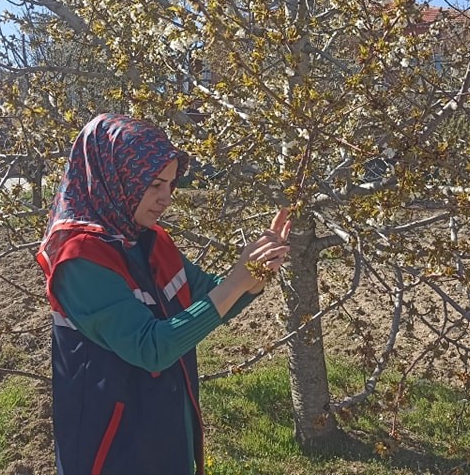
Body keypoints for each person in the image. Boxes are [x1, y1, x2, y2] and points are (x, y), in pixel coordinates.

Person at [37, 113, 290, 475]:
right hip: (110, 449)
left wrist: (257, 272)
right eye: (155, 184)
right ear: (116, 177)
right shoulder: (80, 260)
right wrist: (236, 281)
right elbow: (151, 349)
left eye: (171, 185)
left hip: (162, 432)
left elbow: (210, 297)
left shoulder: (149, 240)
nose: (166, 198)